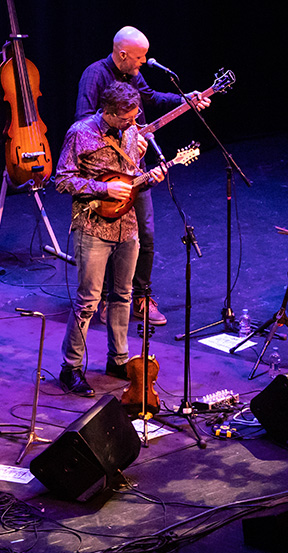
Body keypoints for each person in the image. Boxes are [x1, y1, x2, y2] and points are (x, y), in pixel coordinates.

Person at [75, 26, 211, 327]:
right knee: (109, 238)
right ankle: (110, 299)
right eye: (138, 57)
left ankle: (141, 297)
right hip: (106, 173)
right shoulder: (95, 75)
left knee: (144, 235)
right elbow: (83, 121)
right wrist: (119, 137)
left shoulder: (134, 73)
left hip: (136, 168)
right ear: (122, 54)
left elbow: (150, 98)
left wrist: (184, 99)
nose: (143, 62)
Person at [57, 82, 167, 396]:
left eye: (135, 118)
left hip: (127, 226)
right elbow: (62, 180)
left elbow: (131, 183)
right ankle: (71, 367)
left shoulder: (133, 133)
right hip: (93, 228)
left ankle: (117, 359)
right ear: (108, 111)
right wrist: (103, 189)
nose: (132, 124)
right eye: (126, 119)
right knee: (88, 301)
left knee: (123, 296)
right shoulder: (81, 133)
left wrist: (150, 180)